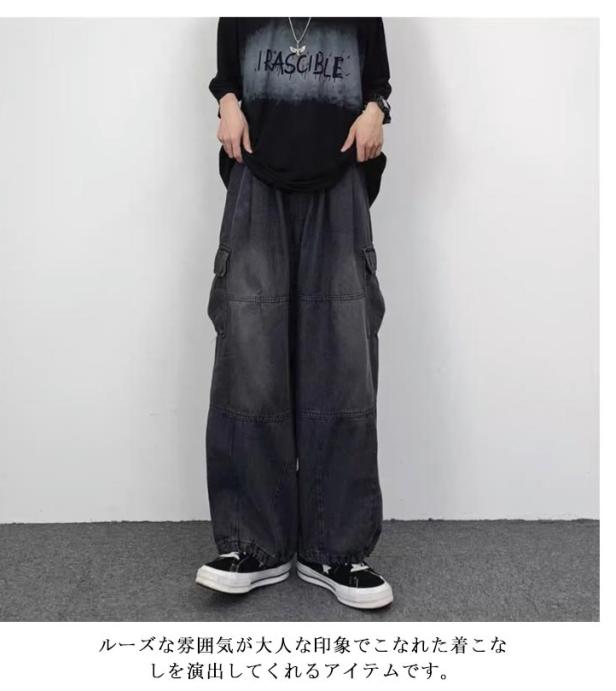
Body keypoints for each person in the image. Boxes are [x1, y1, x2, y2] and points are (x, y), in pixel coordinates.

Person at [195, 17, 393, 610]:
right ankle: (253, 544)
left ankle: (336, 548)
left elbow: (378, 79)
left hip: (339, 183)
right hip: (257, 180)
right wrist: (228, 104)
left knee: (343, 364)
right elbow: (227, 74)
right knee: (250, 363)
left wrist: (375, 111)